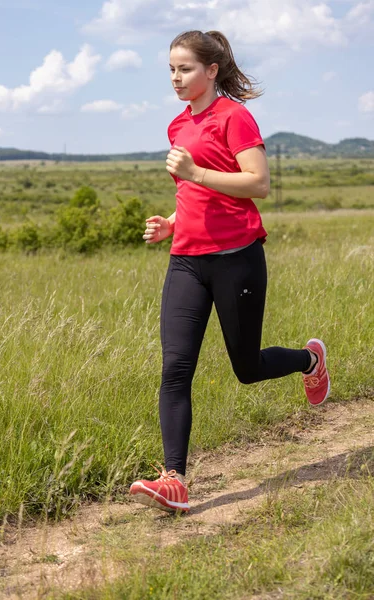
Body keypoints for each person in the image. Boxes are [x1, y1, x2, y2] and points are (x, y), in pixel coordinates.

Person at [129, 30, 330, 514]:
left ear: (212, 70)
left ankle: (309, 361)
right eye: (171, 70)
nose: (176, 78)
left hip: (237, 258)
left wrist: (196, 172)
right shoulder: (178, 126)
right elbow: (195, 195)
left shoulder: (234, 117)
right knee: (175, 368)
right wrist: (171, 223)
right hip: (186, 261)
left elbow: (257, 182)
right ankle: (173, 477)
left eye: (185, 69)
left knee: (246, 368)